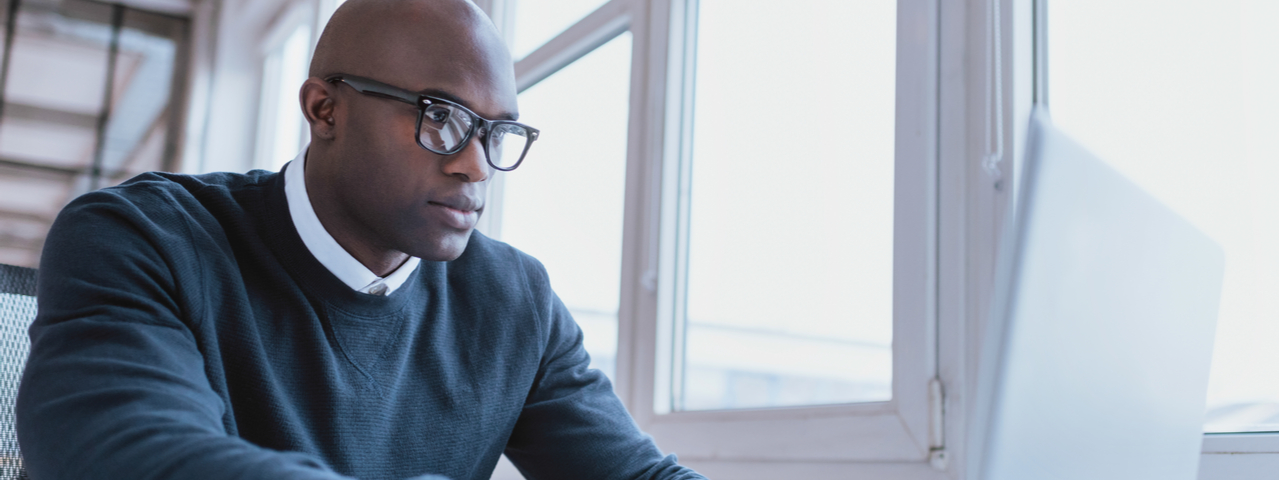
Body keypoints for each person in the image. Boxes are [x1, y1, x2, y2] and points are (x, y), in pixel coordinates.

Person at [14, 1, 705, 479]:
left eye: (498, 134)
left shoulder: (515, 303)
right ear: (325, 110)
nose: (474, 164)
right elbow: (119, 457)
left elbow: (635, 474)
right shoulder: (142, 238)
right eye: (442, 118)